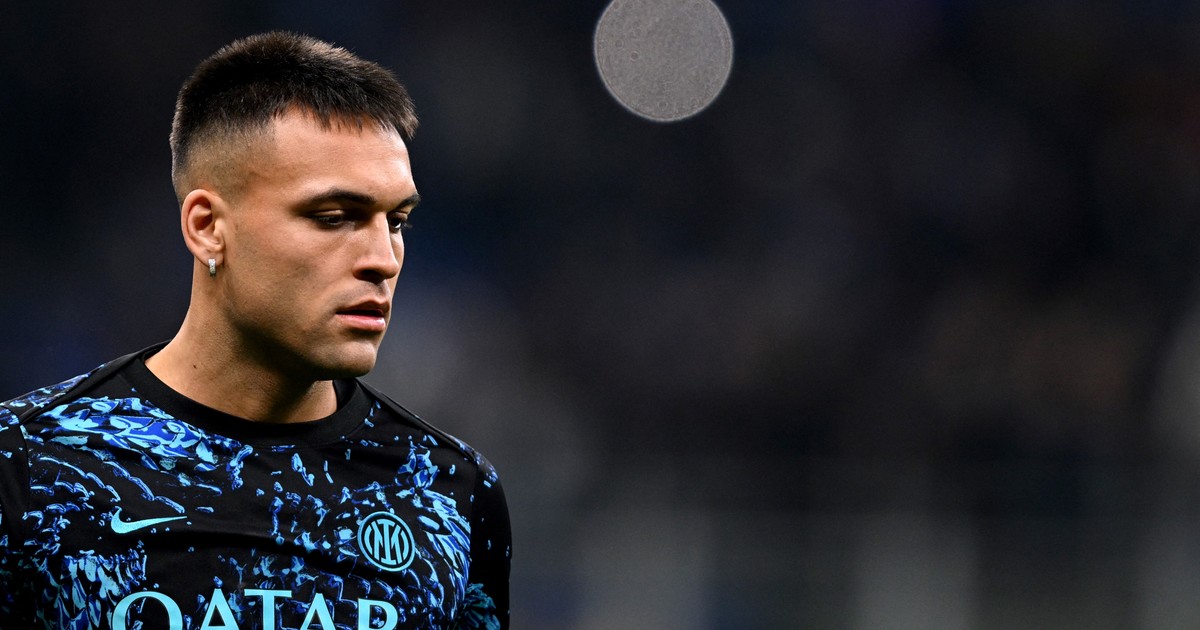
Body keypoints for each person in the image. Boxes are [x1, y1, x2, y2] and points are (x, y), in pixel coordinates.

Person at [0, 32, 510, 629]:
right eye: (333, 217)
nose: (383, 259)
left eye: (396, 222)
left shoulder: (447, 491)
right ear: (207, 227)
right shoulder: (29, 464)